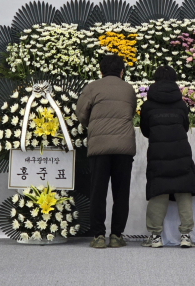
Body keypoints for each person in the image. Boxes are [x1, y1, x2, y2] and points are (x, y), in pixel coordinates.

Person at [76, 54, 137, 249]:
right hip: (124, 148)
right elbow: (130, 112)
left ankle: (98, 236)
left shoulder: (92, 87)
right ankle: (117, 236)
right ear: (122, 71)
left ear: (101, 71)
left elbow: (80, 113)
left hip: (99, 147)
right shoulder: (128, 89)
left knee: (98, 191)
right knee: (121, 193)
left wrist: (92, 125)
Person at [139, 65, 195, 249]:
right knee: (183, 191)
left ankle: (155, 236)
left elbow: (145, 130)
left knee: (159, 191)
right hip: (181, 151)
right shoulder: (180, 104)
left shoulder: (148, 105)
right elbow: (185, 126)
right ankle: (185, 235)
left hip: (158, 152)